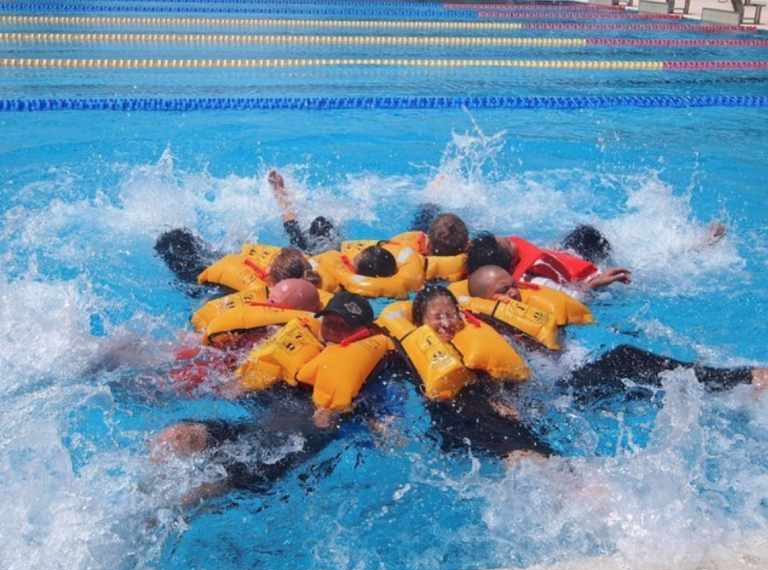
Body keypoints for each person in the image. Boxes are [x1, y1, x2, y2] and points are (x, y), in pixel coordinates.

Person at [150, 292, 381, 499]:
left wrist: (336, 422)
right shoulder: (294, 344)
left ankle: (149, 524)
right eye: (330, 323)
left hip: (285, 452)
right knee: (177, 436)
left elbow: (377, 429)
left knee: (206, 488)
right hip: (251, 428)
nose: (333, 332)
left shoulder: (368, 377)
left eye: (344, 327)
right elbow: (239, 385)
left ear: (363, 334)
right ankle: (143, 486)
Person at [466, 265, 768, 396]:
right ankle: (744, 378)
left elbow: (563, 305)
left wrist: (594, 284)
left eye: (514, 286)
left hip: (587, 370)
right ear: (483, 301)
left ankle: (719, 385)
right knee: (626, 358)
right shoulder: (488, 329)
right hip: (565, 389)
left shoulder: (527, 308)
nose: (516, 294)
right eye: (504, 291)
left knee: (647, 376)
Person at [410, 284, 554, 459]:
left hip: (494, 416)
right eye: (437, 317)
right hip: (453, 420)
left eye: (451, 315)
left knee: (531, 451)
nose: (446, 323)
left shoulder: (475, 344)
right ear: (420, 323)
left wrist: (504, 401)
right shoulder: (411, 357)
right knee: (520, 452)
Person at [466, 231, 632, 291]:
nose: (513, 240)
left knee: (583, 234)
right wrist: (597, 283)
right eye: (509, 243)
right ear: (510, 265)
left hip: (562, 259)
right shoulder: (534, 281)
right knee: (590, 237)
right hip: (579, 275)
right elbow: (574, 297)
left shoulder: (480, 270)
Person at [269, 170, 340, 255]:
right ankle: (281, 194)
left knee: (295, 232)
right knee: (320, 223)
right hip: (322, 255)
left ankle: (280, 193)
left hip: (305, 255)